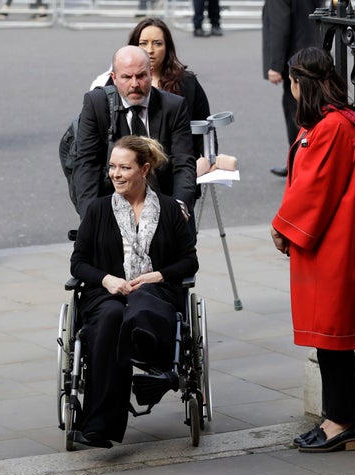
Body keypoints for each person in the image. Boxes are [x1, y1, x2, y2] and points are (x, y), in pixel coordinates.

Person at [269, 47, 355, 453]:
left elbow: (314, 187)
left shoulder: (331, 127)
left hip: (331, 245)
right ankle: (337, 418)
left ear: (300, 85)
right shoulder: (326, 123)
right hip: (324, 243)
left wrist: (282, 227)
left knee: (334, 337)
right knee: (328, 337)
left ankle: (343, 422)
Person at [70, 135, 199, 448]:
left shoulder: (170, 210)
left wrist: (159, 274)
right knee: (113, 314)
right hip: (108, 297)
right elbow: (78, 263)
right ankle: (98, 427)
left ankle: (153, 360)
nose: (115, 173)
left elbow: (189, 261)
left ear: (144, 169)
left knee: (141, 299)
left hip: (156, 295)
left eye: (124, 167)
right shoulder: (98, 211)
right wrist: (107, 279)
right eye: (112, 166)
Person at [73, 45, 196, 222]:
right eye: (126, 77)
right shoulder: (96, 104)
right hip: (111, 205)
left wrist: (179, 207)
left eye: (141, 76)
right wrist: (91, 219)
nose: (135, 84)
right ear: (114, 78)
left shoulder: (174, 107)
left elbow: (184, 163)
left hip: (163, 203)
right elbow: (87, 164)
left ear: (151, 73)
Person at [91, 17, 212, 160]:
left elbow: (205, 126)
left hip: (175, 162)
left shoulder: (187, 83)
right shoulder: (115, 82)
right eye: (143, 43)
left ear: (167, 47)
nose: (150, 50)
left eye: (157, 43)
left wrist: (207, 160)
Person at [262, 0, 323, 177]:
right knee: (312, 110)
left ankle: (299, 163)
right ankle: (304, 162)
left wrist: (275, 64)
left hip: (295, 55)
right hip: (313, 51)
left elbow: (279, 24)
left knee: (296, 112)